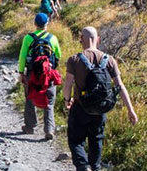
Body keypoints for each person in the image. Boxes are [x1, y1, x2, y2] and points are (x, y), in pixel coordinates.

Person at [62, 26, 138, 171]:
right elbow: (120, 86)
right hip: (101, 108)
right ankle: (95, 167)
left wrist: (67, 100)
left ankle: (83, 167)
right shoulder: (109, 60)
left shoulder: (74, 60)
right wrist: (130, 110)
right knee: (96, 140)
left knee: (76, 141)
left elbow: (68, 85)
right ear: (98, 40)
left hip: (80, 107)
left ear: (81, 40)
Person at [18, 13, 62, 140]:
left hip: (32, 73)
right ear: (47, 24)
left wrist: (21, 73)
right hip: (48, 74)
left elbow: (22, 57)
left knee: (29, 98)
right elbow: (58, 55)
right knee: (49, 101)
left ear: (35, 24)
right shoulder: (53, 38)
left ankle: (30, 126)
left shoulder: (28, 38)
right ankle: (49, 129)